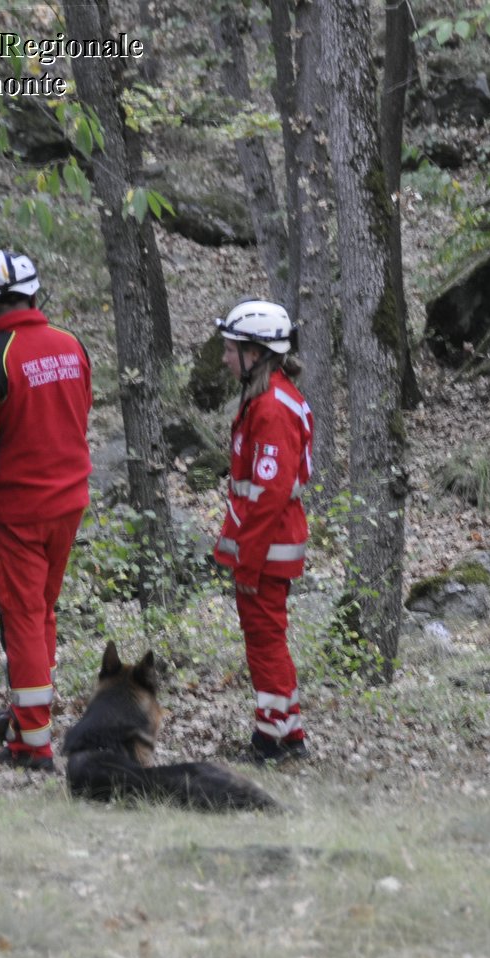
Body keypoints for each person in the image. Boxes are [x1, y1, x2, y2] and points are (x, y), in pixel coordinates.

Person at [0, 250, 93, 771]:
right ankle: (27, 716)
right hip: (69, 503)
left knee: (22, 617)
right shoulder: (72, 346)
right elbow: (79, 412)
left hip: (16, 511)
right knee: (42, 612)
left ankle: (31, 743)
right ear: (35, 295)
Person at [211, 298, 314, 763]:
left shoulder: (271, 407)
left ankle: (270, 740)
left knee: (265, 641)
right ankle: (289, 733)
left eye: (231, 349)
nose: (225, 357)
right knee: (268, 637)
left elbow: (269, 494)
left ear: (256, 353)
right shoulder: (269, 397)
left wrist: (247, 563)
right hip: (268, 544)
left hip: (267, 548)